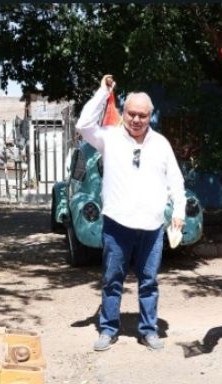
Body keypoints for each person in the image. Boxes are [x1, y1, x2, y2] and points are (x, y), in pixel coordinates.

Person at [76, 75, 186, 352]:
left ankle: (148, 330)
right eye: (131, 113)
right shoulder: (109, 137)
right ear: (124, 112)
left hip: (152, 226)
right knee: (112, 280)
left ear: (150, 116)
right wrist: (103, 92)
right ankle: (108, 329)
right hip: (117, 224)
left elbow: (175, 180)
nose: (136, 119)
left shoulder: (161, 144)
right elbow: (83, 125)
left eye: (142, 115)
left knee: (149, 282)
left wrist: (179, 211)